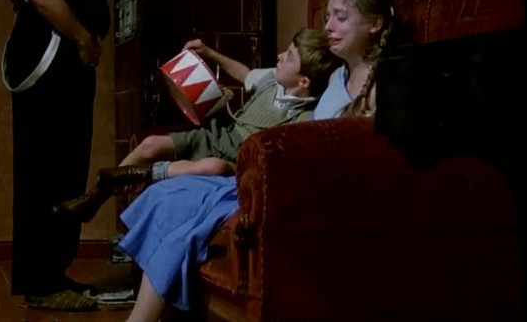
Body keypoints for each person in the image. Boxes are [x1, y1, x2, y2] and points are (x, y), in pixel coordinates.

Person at [119, 0, 396, 322]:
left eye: (340, 18)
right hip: (277, 178)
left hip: (301, 190)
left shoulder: (381, 84)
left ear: (375, 24)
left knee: (195, 192)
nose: (328, 27)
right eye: (327, 17)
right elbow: (259, 82)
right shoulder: (336, 79)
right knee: (171, 200)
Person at [55, 27, 341, 222]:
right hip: (221, 136)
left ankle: (137, 175)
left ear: (303, 81)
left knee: (212, 167)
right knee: (150, 144)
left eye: (288, 57)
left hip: (239, 160)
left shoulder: (304, 118)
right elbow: (245, 74)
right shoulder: (272, 80)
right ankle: (97, 195)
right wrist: (209, 53)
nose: (279, 57)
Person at [0, 0, 108, 312]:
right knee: (43, 171)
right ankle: (40, 283)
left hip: (72, 65)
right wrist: (84, 38)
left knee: (67, 171)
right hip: (48, 63)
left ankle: (53, 273)